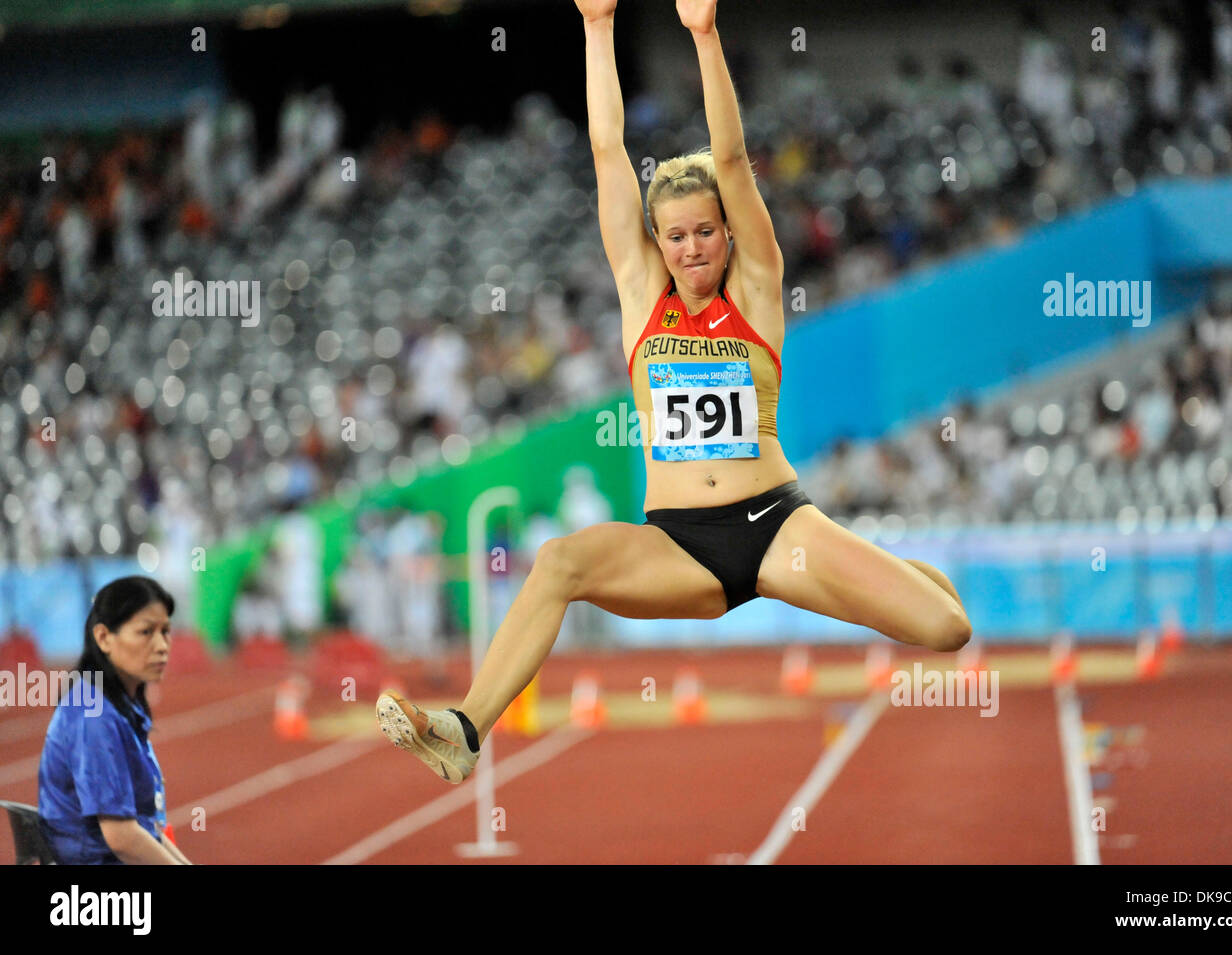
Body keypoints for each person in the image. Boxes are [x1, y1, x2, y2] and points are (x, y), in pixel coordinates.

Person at [376, 0, 971, 783]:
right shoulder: (639, 299)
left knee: (946, 627)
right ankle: (466, 727)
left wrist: (703, 36)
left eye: (705, 232)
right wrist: (595, 26)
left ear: (728, 234)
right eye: (676, 235)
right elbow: (606, 149)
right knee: (557, 562)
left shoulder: (755, 289)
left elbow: (730, 160)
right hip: (679, 543)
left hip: (773, 524)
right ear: (658, 241)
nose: (692, 248)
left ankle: (872, 562)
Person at [38, 576, 193, 864]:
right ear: (104, 638)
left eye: (166, 631)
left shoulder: (117, 703)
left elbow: (148, 829)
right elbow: (122, 837)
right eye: (146, 632)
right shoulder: (94, 716)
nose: (162, 645)